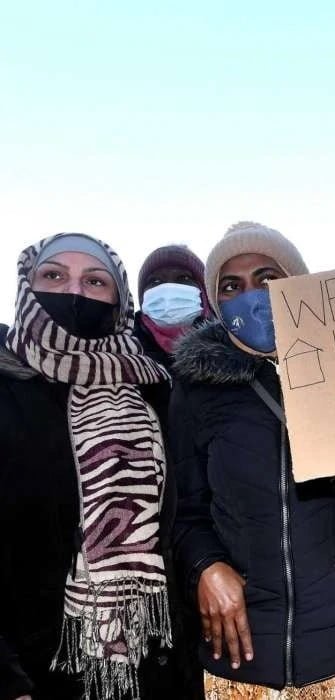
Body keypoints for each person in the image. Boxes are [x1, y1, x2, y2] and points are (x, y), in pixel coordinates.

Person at [168, 221, 335, 699]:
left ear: (297, 282)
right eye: (231, 286)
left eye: (267, 277)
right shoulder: (197, 388)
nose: (250, 295)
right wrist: (205, 565)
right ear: (216, 304)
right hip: (242, 656)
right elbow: (184, 510)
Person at [0, 233, 182, 700]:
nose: (75, 292)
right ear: (26, 286)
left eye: (96, 281)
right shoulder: (7, 384)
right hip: (34, 670)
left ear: (120, 303)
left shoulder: (155, 387)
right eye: (54, 275)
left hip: (155, 662)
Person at [134, 245, 209, 367]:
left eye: (184, 278)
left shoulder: (233, 345)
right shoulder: (120, 349)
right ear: (143, 297)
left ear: (204, 292)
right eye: (155, 281)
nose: (168, 289)